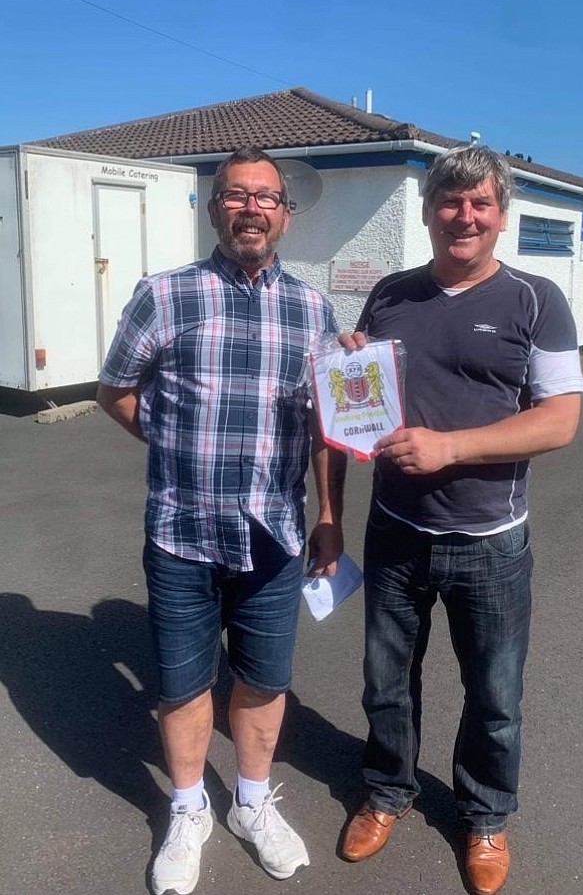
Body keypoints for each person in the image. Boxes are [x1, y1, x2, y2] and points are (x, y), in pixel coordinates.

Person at [97, 146, 346, 895]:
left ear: (285, 214)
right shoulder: (162, 295)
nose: (252, 209)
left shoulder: (314, 310)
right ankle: (186, 810)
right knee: (180, 685)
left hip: (274, 535)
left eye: (266, 198)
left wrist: (330, 515)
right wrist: (171, 444)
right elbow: (115, 391)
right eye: (236, 195)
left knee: (264, 683)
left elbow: (327, 425)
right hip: (181, 533)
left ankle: (248, 804)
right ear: (215, 209)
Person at [338, 145, 583, 895]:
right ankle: (387, 794)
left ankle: (484, 817)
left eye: (480, 204)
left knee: (495, 696)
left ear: (501, 217)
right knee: (386, 683)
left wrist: (452, 447)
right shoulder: (389, 293)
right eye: (450, 202)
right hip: (395, 530)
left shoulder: (536, 299)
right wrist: (352, 362)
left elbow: (560, 420)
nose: (464, 216)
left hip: (491, 542)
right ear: (428, 211)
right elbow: (360, 389)